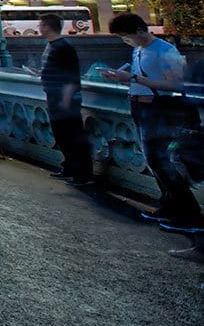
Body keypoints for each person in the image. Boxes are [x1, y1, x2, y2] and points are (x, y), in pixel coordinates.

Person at [101, 14, 200, 233]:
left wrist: (133, 79)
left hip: (160, 109)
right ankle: (170, 206)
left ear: (139, 30)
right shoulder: (138, 50)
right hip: (141, 107)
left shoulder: (165, 50)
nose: (126, 41)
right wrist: (122, 77)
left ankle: (189, 214)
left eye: (126, 36)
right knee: (154, 161)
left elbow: (175, 84)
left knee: (163, 161)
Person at [24, 12, 93, 185]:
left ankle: (82, 174)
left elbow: (71, 77)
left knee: (73, 136)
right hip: (54, 97)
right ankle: (69, 167)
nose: (39, 28)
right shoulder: (52, 46)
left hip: (65, 100)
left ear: (48, 26)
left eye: (41, 25)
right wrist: (41, 73)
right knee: (62, 135)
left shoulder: (63, 47)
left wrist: (66, 100)